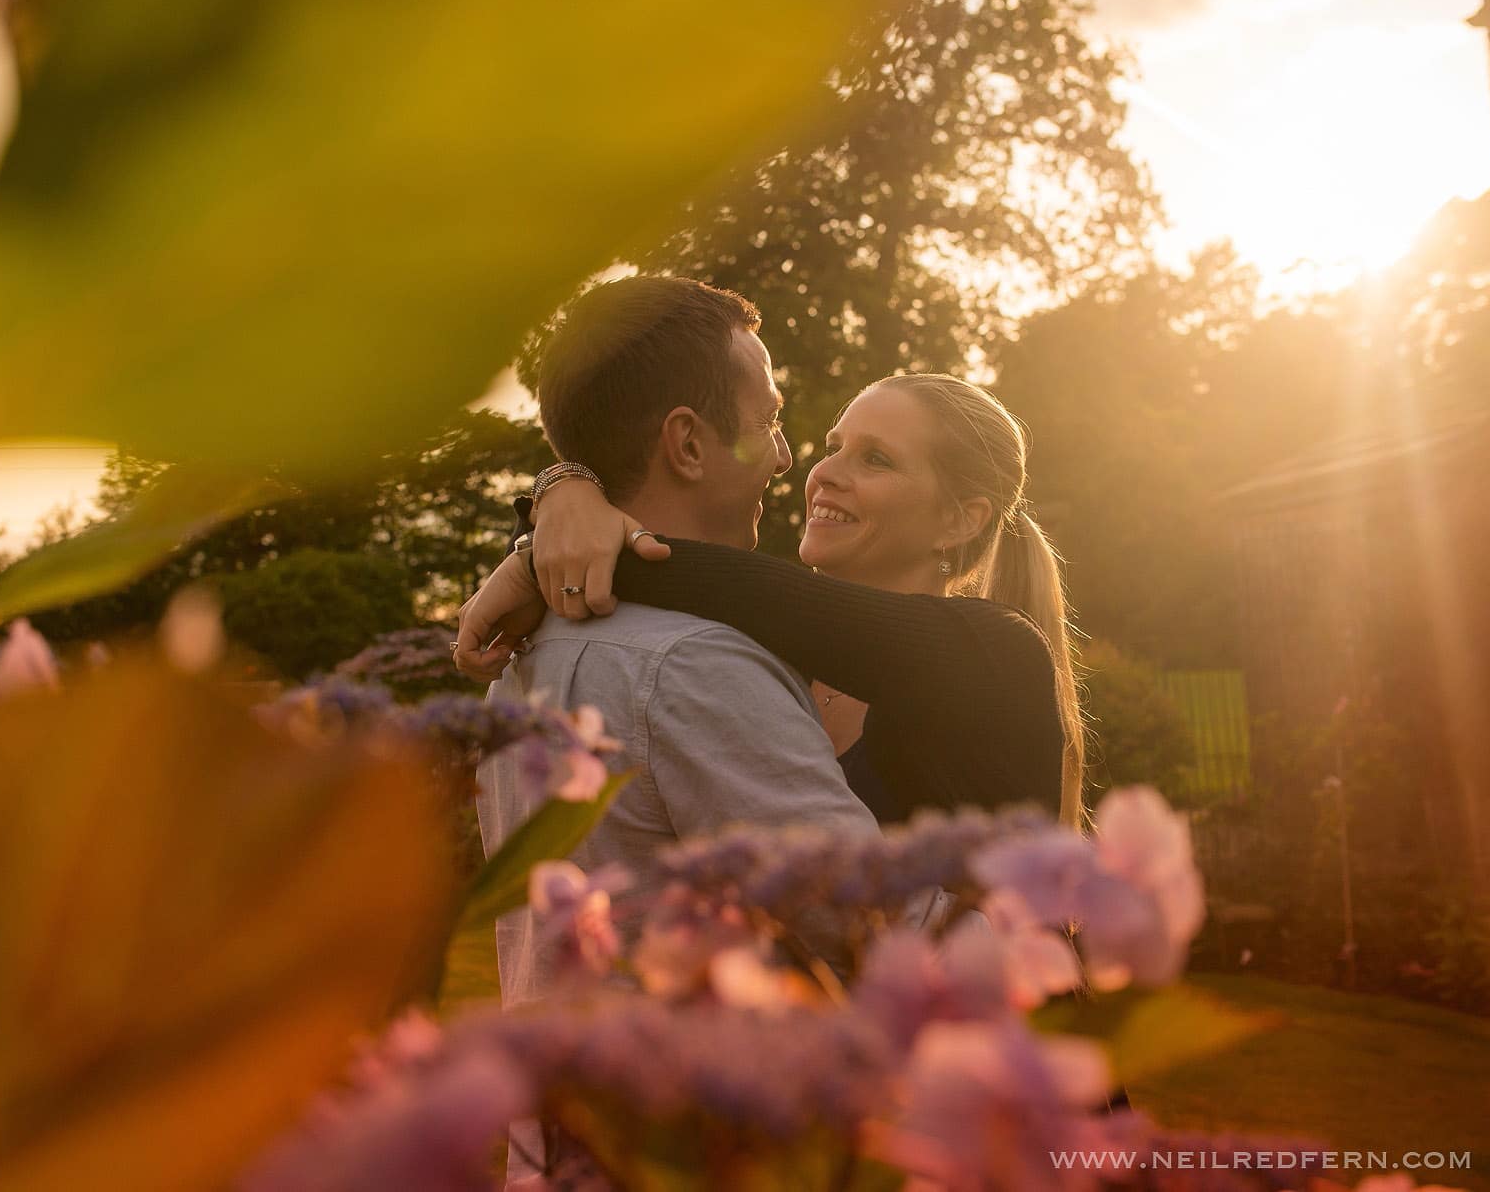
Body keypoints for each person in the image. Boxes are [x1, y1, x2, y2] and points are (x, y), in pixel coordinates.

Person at [474, 276, 878, 1014]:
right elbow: (862, 923)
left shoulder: (527, 651)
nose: (785, 458)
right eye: (770, 421)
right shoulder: (695, 667)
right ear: (688, 444)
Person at [458, 371, 1084, 829]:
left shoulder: (998, 653)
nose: (826, 472)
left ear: (959, 521)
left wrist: (548, 528)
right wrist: (559, 499)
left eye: (876, 459)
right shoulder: (756, 641)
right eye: (835, 445)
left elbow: (719, 578)